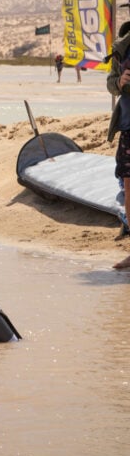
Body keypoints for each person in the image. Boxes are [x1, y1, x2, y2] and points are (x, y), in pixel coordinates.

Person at [106, 20, 130, 270]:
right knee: (128, 190)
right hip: (128, 125)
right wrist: (120, 82)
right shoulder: (123, 47)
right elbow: (110, 82)